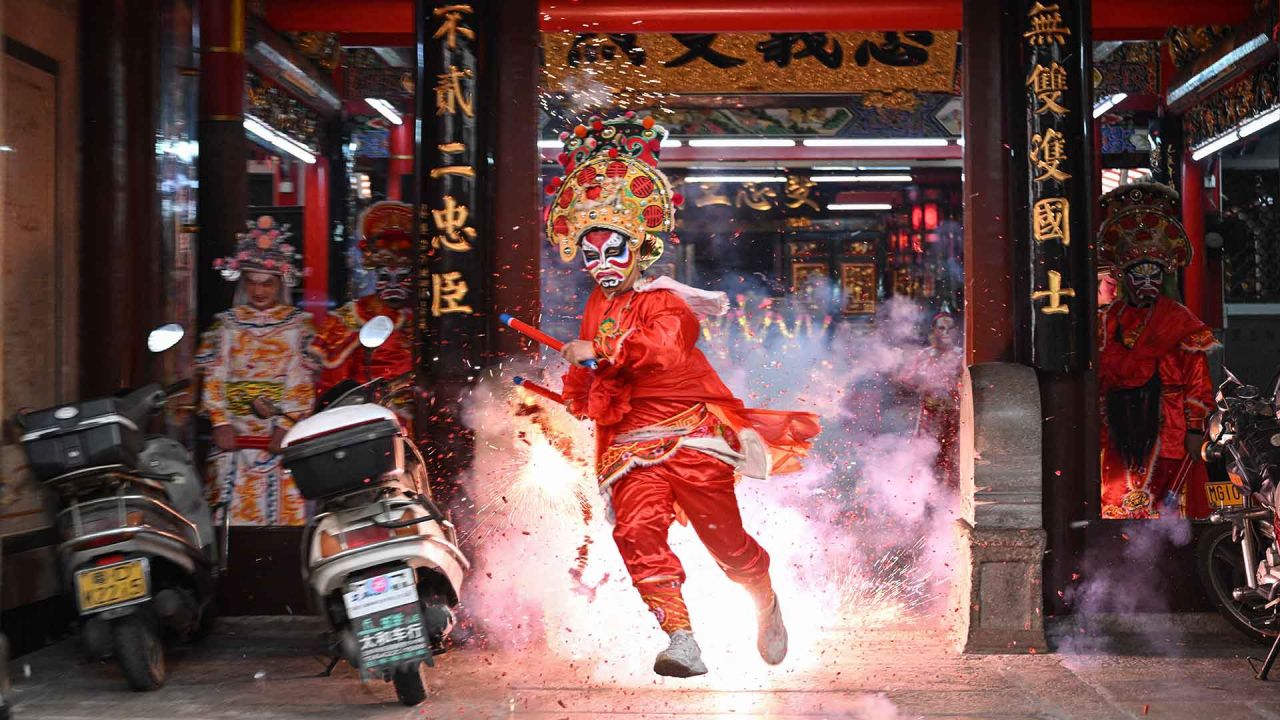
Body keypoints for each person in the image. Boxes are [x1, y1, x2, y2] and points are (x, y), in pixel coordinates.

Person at [546, 113, 821, 677]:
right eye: (591, 254)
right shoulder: (597, 306)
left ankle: (764, 598)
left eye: (613, 252)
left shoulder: (667, 301)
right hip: (629, 448)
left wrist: (596, 358)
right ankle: (681, 638)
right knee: (634, 533)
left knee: (728, 546)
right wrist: (578, 389)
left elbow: (659, 351)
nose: (601, 266)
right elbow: (593, 369)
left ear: (641, 246)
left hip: (690, 441)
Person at [1097, 183, 1218, 520]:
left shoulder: (1179, 320)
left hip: (1169, 429)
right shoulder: (1108, 320)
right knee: (1118, 501)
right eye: (1139, 273)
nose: (1146, 280)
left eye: (1154, 273)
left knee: (1168, 512)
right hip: (1119, 428)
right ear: (1124, 277)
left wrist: (1195, 430)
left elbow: (1199, 385)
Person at [196, 216, 315, 526]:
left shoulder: (298, 326)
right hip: (233, 439)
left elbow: (300, 381)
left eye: (267, 283)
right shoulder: (226, 324)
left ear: (280, 284)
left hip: (278, 436)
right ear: (242, 282)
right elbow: (214, 376)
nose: (259, 290)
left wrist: (286, 425)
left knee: (283, 523)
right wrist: (220, 422)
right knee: (228, 522)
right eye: (252, 281)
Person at [311, 201, 416, 398]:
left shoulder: (420, 317)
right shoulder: (351, 317)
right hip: (370, 416)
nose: (394, 286)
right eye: (385, 277)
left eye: (402, 278)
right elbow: (334, 388)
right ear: (375, 275)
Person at [895, 311, 963, 488]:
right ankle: (928, 495)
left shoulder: (962, 355)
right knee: (928, 457)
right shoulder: (923, 355)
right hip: (930, 414)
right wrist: (918, 379)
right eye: (941, 328)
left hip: (955, 415)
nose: (946, 332)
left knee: (954, 456)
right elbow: (905, 378)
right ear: (934, 330)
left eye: (950, 328)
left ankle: (952, 497)